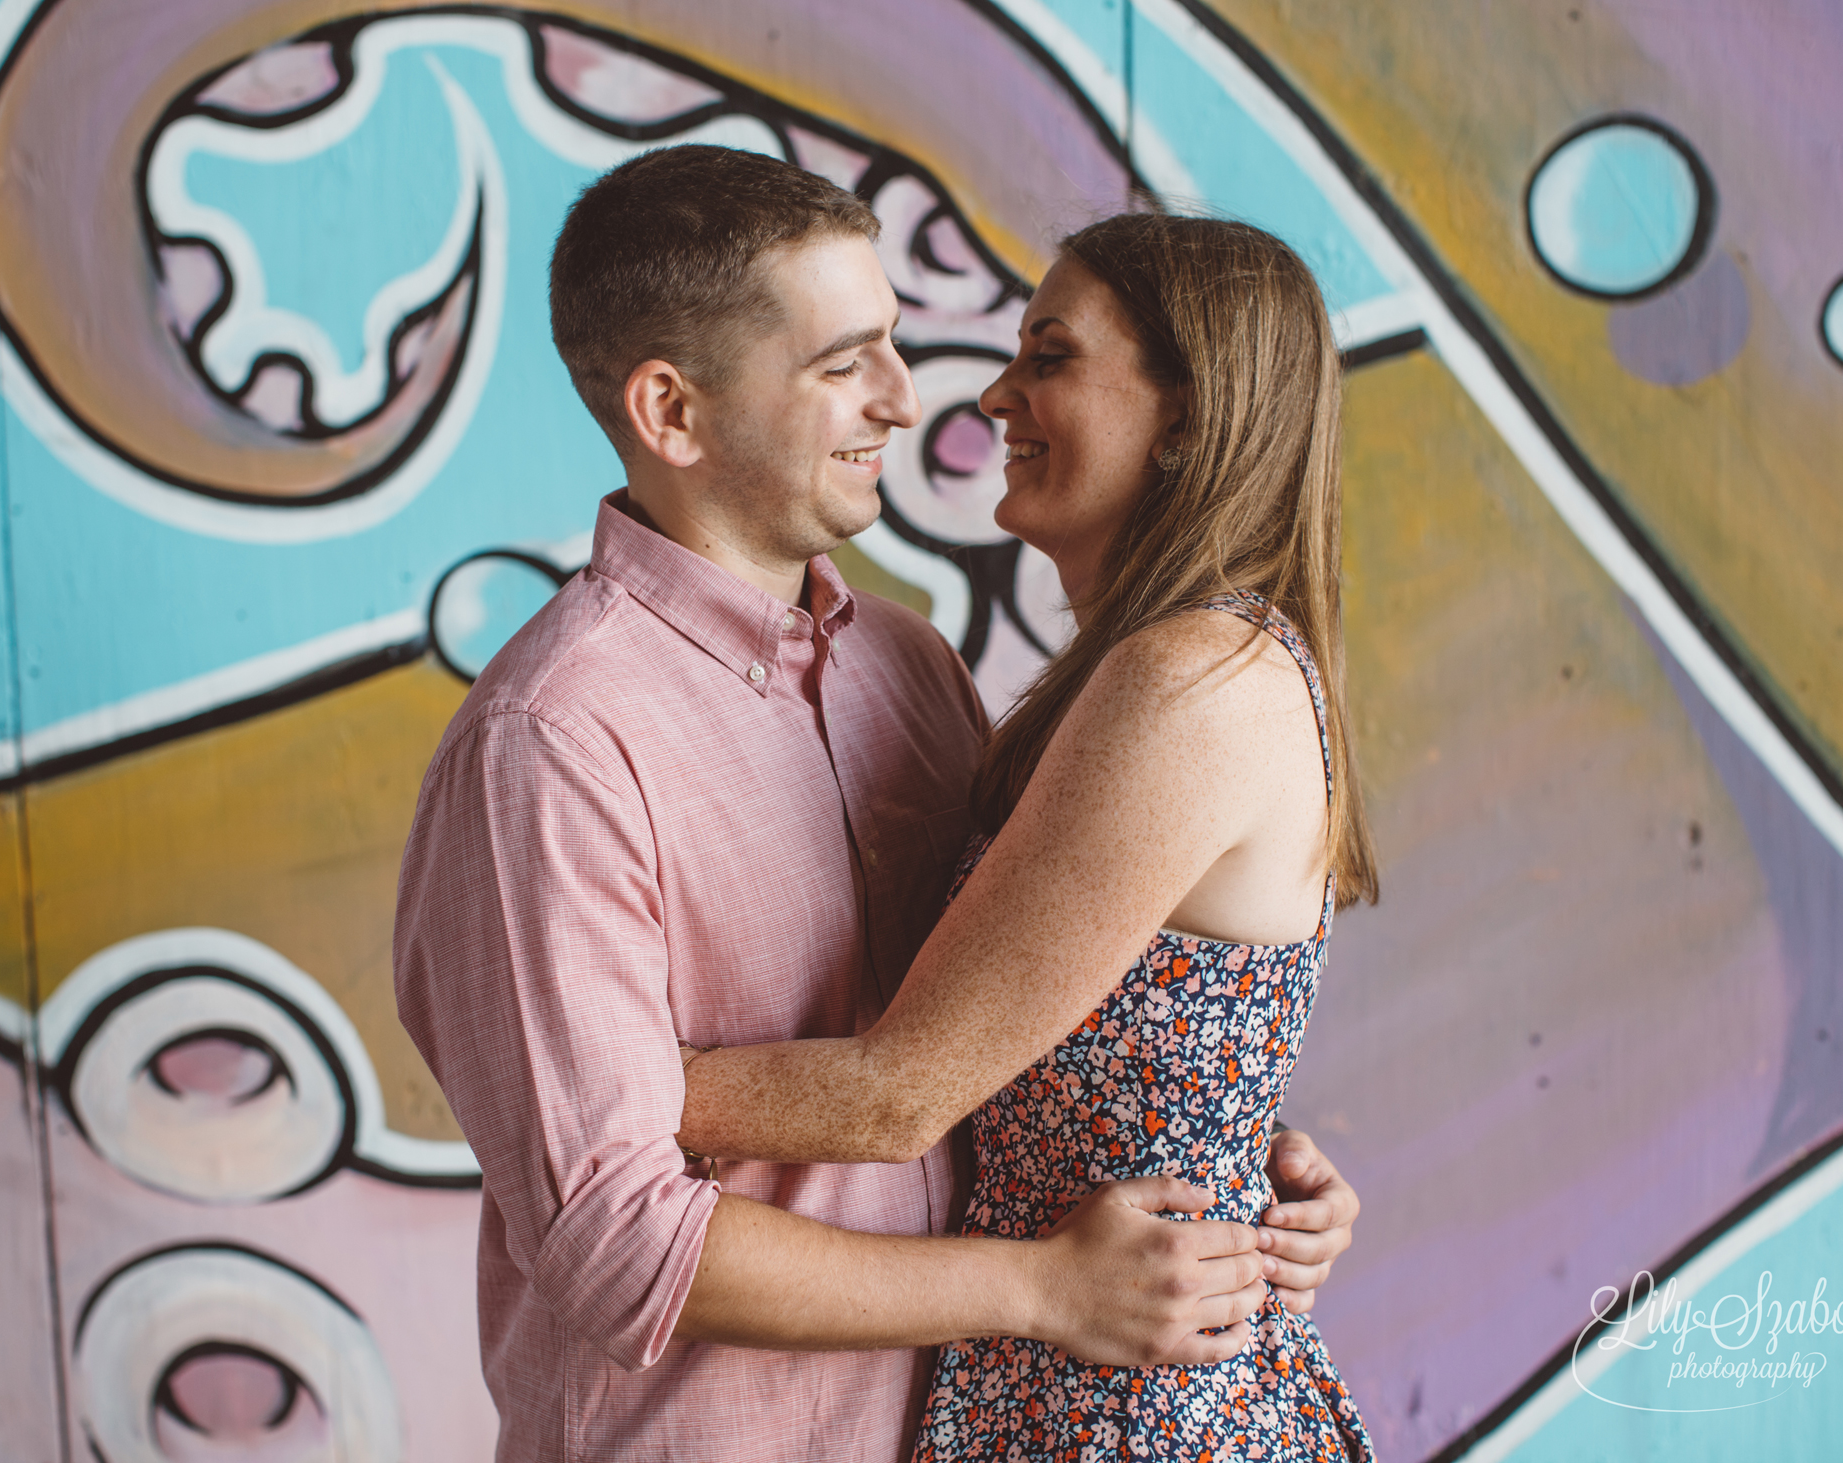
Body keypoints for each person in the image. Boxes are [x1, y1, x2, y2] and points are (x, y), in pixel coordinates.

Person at [394, 146, 1358, 1463]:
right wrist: (1042, 1282)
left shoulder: (911, 672)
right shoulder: (552, 742)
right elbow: (612, 1235)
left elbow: (973, 1052)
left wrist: (1215, 1148)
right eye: (842, 361)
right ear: (672, 413)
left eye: (893, 347)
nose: (908, 402)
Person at [673, 212, 1378, 1461]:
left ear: (1189, 419)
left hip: (1133, 1414)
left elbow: (899, 1093)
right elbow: (1138, 1026)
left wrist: (571, 1096)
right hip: (1093, 1380)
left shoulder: (1190, 678)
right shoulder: (1169, 667)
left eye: (1049, 355)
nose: (996, 391)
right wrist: (1237, 1145)